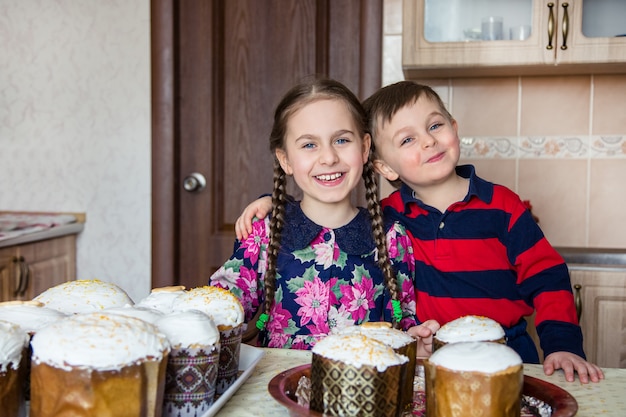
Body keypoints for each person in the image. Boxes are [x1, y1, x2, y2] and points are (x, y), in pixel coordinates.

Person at [235, 81, 604, 383]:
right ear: (383, 165)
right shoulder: (389, 219)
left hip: (505, 355)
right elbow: (317, 222)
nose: (428, 141)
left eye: (434, 126)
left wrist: (563, 344)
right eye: (407, 139)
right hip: (397, 371)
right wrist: (272, 203)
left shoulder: (495, 209)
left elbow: (548, 277)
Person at [210, 77, 437, 353]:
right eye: (309, 145)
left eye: (341, 140)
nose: (328, 157)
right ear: (285, 160)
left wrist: (415, 342)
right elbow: (224, 305)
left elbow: (402, 325)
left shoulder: (392, 238)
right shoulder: (265, 231)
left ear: (365, 148)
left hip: (360, 389)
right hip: (275, 387)